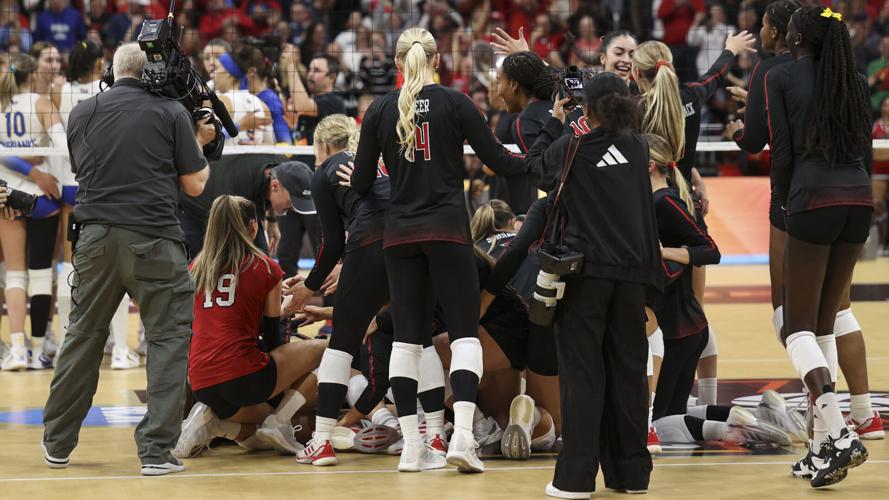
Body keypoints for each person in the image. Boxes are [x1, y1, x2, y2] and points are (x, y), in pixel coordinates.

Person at [350, 27, 535, 474]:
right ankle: (465, 438)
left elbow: (358, 184)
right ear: (436, 61)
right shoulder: (455, 102)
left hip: (400, 237)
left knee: (408, 341)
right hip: (449, 233)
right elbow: (500, 160)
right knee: (464, 334)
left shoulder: (378, 110)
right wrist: (548, 155)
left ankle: (413, 447)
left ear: (397, 64)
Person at [41, 43, 215, 476]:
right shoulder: (173, 111)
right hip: (155, 239)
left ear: (111, 70)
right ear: (150, 72)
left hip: (95, 239)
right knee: (167, 340)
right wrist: (199, 142)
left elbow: (84, 169)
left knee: (82, 337)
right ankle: (156, 452)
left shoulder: (81, 112)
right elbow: (195, 185)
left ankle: (57, 443)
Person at [524, 72, 658, 497]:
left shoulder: (575, 145)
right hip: (632, 276)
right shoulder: (638, 148)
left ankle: (576, 479)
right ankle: (631, 475)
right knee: (630, 375)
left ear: (589, 108)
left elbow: (536, 170)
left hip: (586, 275)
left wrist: (558, 121)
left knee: (583, 376)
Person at [765, 5, 871, 488]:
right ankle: (819, 449)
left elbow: (782, 153)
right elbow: (866, 148)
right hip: (859, 199)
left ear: (798, 39)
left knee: (796, 327)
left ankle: (841, 433)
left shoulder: (781, 77)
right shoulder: (853, 82)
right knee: (824, 327)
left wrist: (787, 206)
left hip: (812, 199)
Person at [632, 32, 755, 407]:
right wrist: (730, 51)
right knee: (694, 310)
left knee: (652, 311)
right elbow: (714, 77)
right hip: (685, 200)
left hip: (654, 202)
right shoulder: (689, 96)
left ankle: (653, 410)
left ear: (638, 76)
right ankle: (707, 401)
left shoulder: (637, 109)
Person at [172, 196, 325, 459]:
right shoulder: (266, 267)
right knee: (329, 348)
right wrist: (282, 311)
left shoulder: (196, 268)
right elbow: (274, 338)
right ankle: (282, 419)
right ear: (253, 227)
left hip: (201, 382)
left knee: (265, 430)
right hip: (244, 375)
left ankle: (214, 423)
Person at [0, 52, 66, 371]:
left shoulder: (1, 105)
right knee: (41, 274)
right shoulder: (41, 104)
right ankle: (39, 350)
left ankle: (16, 349)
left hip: (6, 195)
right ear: (32, 75)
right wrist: (35, 162)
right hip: (40, 196)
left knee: (14, 273)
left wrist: (20, 159)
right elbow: (61, 144)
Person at [490, 51, 554, 214]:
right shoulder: (561, 101)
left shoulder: (525, 120)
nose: (498, 91)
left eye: (499, 82)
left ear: (514, 84)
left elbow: (546, 176)